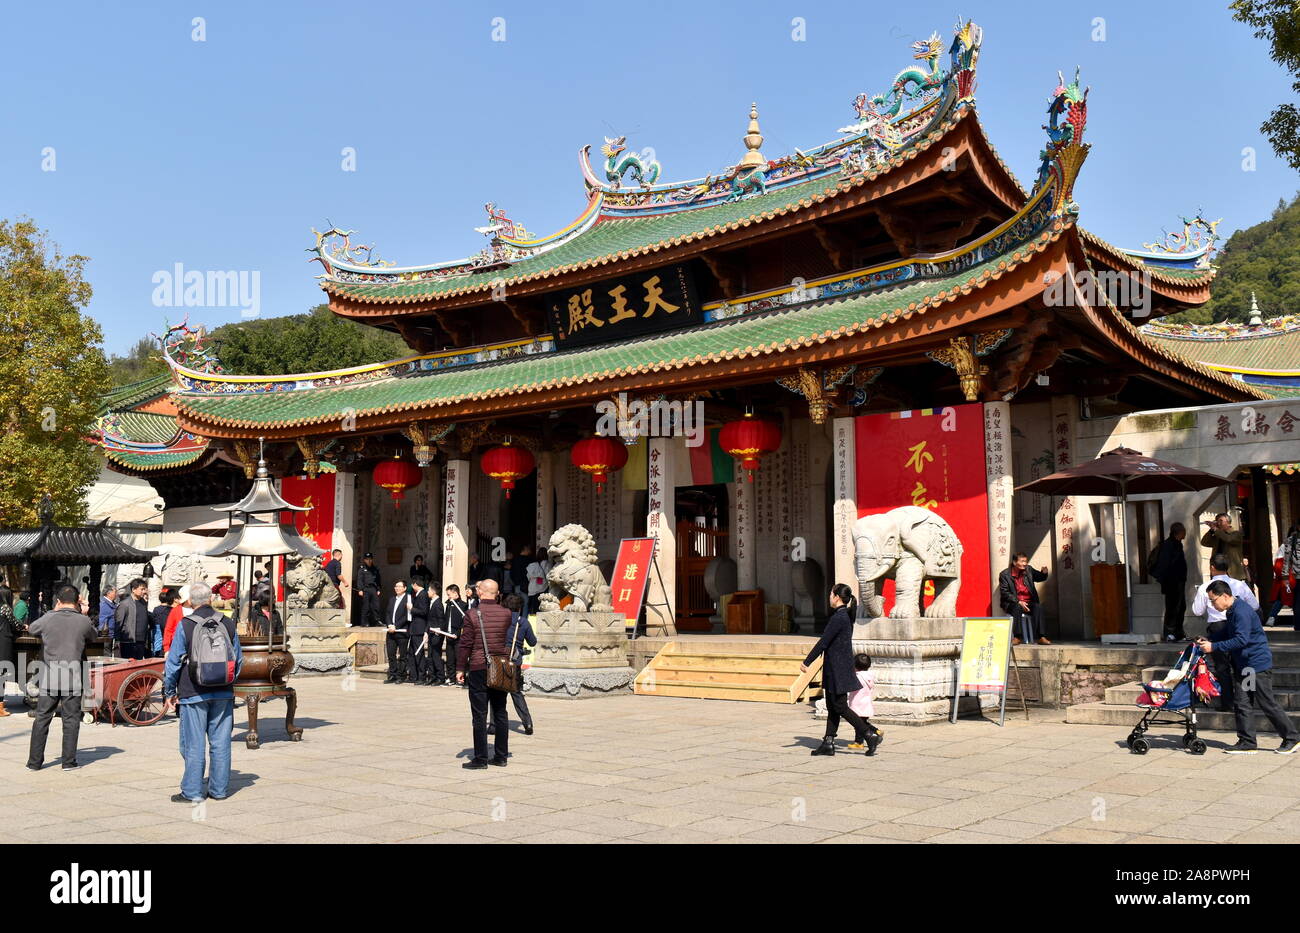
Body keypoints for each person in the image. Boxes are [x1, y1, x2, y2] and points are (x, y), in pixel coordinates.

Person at [1197, 580, 1300, 755]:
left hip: (1255, 666)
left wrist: (1213, 647)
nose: (1212, 605)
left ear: (1225, 596)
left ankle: (1292, 737)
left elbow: (1241, 640)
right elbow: (1229, 631)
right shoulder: (1232, 610)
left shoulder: (1241, 612)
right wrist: (1210, 638)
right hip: (1245, 666)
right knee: (1242, 703)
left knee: (1266, 703)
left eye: (1213, 600)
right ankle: (1247, 741)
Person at [163, 582, 244, 801]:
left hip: (193, 691)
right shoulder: (227, 623)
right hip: (223, 692)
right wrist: (226, 681)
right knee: (221, 743)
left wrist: (169, 691)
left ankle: (192, 792)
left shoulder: (186, 624)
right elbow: (238, 660)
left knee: (194, 744)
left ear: (190, 601)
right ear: (210, 599)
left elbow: (173, 663)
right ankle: (218, 790)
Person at [800, 583, 880, 757]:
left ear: (836, 597)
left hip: (837, 670)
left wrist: (807, 661)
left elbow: (823, 642)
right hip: (837, 669)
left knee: (840, 707)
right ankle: (828, 742)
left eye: (831, 594)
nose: (829, 597)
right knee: (833, 707)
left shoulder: (839, 618)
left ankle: (869, 734)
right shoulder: (843, 616)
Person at [26, 584, 97, 770]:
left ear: (58, 601)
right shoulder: (83, 621)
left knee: (42, 718)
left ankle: (34, 762)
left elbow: (32, 628)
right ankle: (68, 762)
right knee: (71, 719)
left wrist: (53, 611)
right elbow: (94, 636)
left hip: (50, 677)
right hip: (73, 678)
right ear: (77, 601)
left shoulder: (48, 618)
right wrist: (85, 613)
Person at [456, 578, 513, 769]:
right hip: (500, 666)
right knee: (500, 712)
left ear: (481, 592)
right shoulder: (506, 613)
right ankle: (501, 756)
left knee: (479, 714)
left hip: (480, 665)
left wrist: (459, 668)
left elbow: (466, 644)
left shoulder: (472, 614)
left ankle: (480, 758)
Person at [1191, 554, 1258, 712]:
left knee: (1222, 667)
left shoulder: (1206, 588)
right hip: (1237, 626)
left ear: (1212, 567)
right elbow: (1254, 605)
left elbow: (1197, 610)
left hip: (1218, 627)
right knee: (1241, 664)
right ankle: (1249, 701)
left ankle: (1227, 702)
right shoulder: (1240, 585)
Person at [500, 593, 534, 735]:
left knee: (497, 693)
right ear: (520, 607)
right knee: (516, 692)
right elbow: (532, 641)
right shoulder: (523, 622)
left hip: (499, 660)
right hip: (515, 662)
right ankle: (527, 722)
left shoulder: (501, 620)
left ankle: (494, 725)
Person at [998, 553, 1051, 646]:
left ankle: (1041, 637)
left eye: (1026, 561)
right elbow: (1005, 592)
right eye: (1022, 561)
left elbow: (1039, 577)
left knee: (1038, 607)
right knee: (1017, 607)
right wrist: (1018, 601)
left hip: (1029, 602)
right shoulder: (1005, 575)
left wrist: (1044, 573)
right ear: (1014, 562)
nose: (1025, 563)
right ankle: (1017, 637)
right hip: (1013, 602)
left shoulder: (1029, 570)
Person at [1150, 522, 1189, 642]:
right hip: (1172, 582)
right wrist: (1165, 580)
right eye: (1183, 531)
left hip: (1179, 581)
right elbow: (1165, 564)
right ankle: (1169, 632)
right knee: (1172, 607)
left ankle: (1178, 632)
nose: (1185, 534)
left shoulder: (1177, 544)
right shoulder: (1169, 545)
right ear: (1179, 532)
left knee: (1181, 607)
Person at [847, 653, 880, 756]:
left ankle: (859, 742)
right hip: (866, 705)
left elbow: (850, 687)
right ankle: (876, 732)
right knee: (863, 723)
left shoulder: (858, 677)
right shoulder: (869, 676)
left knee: (858, 725)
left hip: (857, 705)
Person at [1201, 512, 1246, 582]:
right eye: (1217, 521)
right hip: (1217, 570)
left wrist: (1215, 529)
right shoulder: (1218, 535)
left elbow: (1228, 539)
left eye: (1221, 521)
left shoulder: (1236, 533)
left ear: (1228, 522)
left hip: (1231, 572)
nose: (1218, 523)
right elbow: (1204, 542)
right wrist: (1211, 531)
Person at [113, 578, 150, 660]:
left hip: (141, 641)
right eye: (142, 589)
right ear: (133, 589)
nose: (144, 591)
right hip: (129, 641)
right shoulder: (125, 604)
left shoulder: (144, 602)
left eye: (145, 589)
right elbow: (119, 622)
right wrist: (117, 640)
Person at [384, 580, 412, 684]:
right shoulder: (392, 599)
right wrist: (389, 624)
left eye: (399, 586)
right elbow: (387, 613)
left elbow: (407, 616)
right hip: (391, 631)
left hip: (402, 631)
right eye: (396, 586)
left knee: (402, 656)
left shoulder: (408, 599)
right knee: (391, 654)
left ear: (405, 588)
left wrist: (396, 626)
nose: (397, 588)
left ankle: (401, 675)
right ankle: (393, 675)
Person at [443, 584, 468, 687]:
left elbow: (464, 622)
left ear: (455, 593)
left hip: (458, 636)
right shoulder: (448, 604)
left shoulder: (463, 605)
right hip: (448, 635)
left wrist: (457, 633)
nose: (448, 597)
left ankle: (461, 679)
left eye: (449, 594)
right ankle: (451, 678)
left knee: (459, 658)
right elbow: (446, 619)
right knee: (450, 658)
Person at [0, 586, 19, 718]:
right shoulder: (5, 608)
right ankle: (0, 708)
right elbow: (15, 624)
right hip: (3, 643)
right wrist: (23, 625)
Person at [408, 577, 431, 685]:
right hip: (414, 628)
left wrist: (411, 609)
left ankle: (421, 677)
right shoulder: (419, 595)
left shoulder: (423, 595)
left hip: (419, 628)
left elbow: (424, 611)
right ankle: (413, 676)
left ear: (415, 585)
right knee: (412, 653)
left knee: (419, 653)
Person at [424, 582, 447, 685]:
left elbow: (441, 620)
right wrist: (426, 632)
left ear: (433, 591)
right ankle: (432, 676)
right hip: (431, 633)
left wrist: (438, 631)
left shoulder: (438, 604)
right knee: (430, 655)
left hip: (437, 634)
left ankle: (440, 677)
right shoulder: (432, 602)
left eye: (428, 590)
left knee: (436, 656)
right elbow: (429, 620)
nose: (427, 592)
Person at [356, 553, 382, 627]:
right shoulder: (362, 569)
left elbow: (378, 579)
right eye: (367, 559)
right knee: (366, 606)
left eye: (370, 559)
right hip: (365, 589)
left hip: (373, 589)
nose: (369, 560)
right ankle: (364, 622)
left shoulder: (375, 569)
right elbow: (359, 580)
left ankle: (376, 621)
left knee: (376, 606)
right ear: (364, 560)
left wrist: (378, 589)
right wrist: (360, 589)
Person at [163, 585, 191, 655]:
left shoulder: (198, 609)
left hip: (193, 646)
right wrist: (166, 649)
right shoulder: (175, 610)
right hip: (178, 646)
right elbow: (168, 630)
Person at [150, 589, 174, 658]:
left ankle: (157, 652)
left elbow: (153, 619)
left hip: (157, 628)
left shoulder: (156, 609)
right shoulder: (171, 609)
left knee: (158, 641)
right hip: (168, 628)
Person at [525, 548, 549, 614]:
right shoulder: (546, 563)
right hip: (542, 588)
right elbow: (548, 575)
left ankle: (532, 622)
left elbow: (528, 576)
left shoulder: (532, 565)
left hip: (532, 588)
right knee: (541, 607)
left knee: (532, 608)